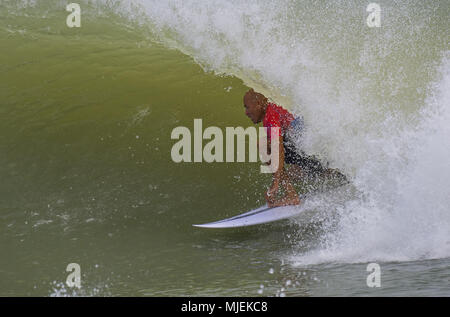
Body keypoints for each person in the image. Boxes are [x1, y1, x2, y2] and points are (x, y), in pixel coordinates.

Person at [243, 88, 346, 207]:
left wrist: (275, 183)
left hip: (307, 150)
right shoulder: (274, 109)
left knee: (262, 144)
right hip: (313, 150)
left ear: (258, 104)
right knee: (294, 174)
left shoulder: (270, 116)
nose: (246, 112)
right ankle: (342, 174)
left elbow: (279, 149)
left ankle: (292, 196)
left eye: (247, 107)